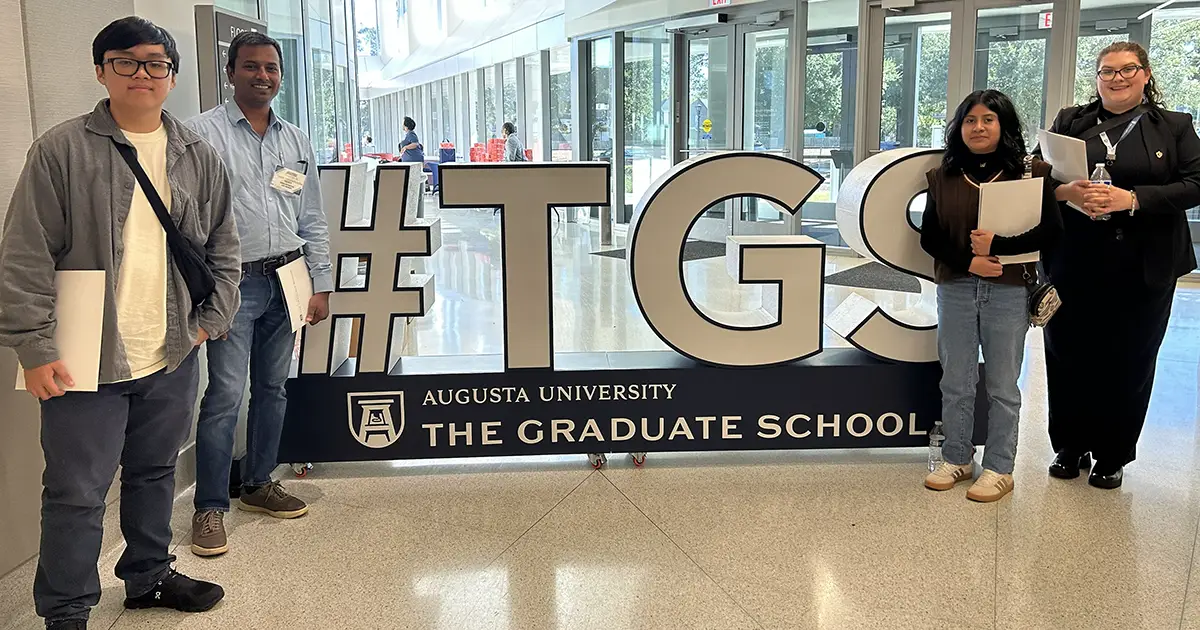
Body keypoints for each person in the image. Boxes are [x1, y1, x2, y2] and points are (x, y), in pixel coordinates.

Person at [0, 17, 241, 628]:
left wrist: (209, 322)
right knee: (77, 492)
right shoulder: (61, 150)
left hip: (172, 349)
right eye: (125, 61)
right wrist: (32, 346)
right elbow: (25, 254)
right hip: (85, 355)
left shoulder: (197, 155)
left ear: (172, 76)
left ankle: (149, 576)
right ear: (101, 70)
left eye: (156, 63)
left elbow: (223, 247)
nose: (142, 73)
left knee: (155, 472)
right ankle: (66, 612)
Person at [187, 31, 333, 557]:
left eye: (271, 68)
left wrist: (320, 281)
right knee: (225, 394)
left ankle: (258, 483)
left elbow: (310, 215)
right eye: (251, 66)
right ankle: (209, 505)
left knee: (273, 388)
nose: (262, 76)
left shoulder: (295, 140)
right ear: (231, 72)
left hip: (287, 278)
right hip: (233, 283)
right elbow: (188, 217)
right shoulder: (200, 134)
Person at [1040, 41, 1200, 489]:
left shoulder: (1175, 126)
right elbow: (1039, 174)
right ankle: (1069, 445)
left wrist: (1132, 199)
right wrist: (1066, 192)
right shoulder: (1071, 122)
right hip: (1075, 260)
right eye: (1107, 71)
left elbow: (1196, 183)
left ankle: (1112, 453)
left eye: (1128, 69)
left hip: (1144, 264)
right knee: (1067, 354)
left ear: (1145, 74)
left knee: (1130, 359)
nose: (1117, 78)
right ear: (1097, 79)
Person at [920, 90, 1063, 502]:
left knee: (1002, 384)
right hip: (956, 287)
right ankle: (957, 458)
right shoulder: (943, 176)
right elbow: (931, 238)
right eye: (970, 120)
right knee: (956, 379)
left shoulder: (1031, 173)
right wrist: (971, 262)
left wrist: (997, 246)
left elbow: (1053, 232)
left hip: (1009, 290)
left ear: (1004, 125)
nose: (978, 128)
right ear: (958, 128)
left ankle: (1000, 467)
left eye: (988, 120)